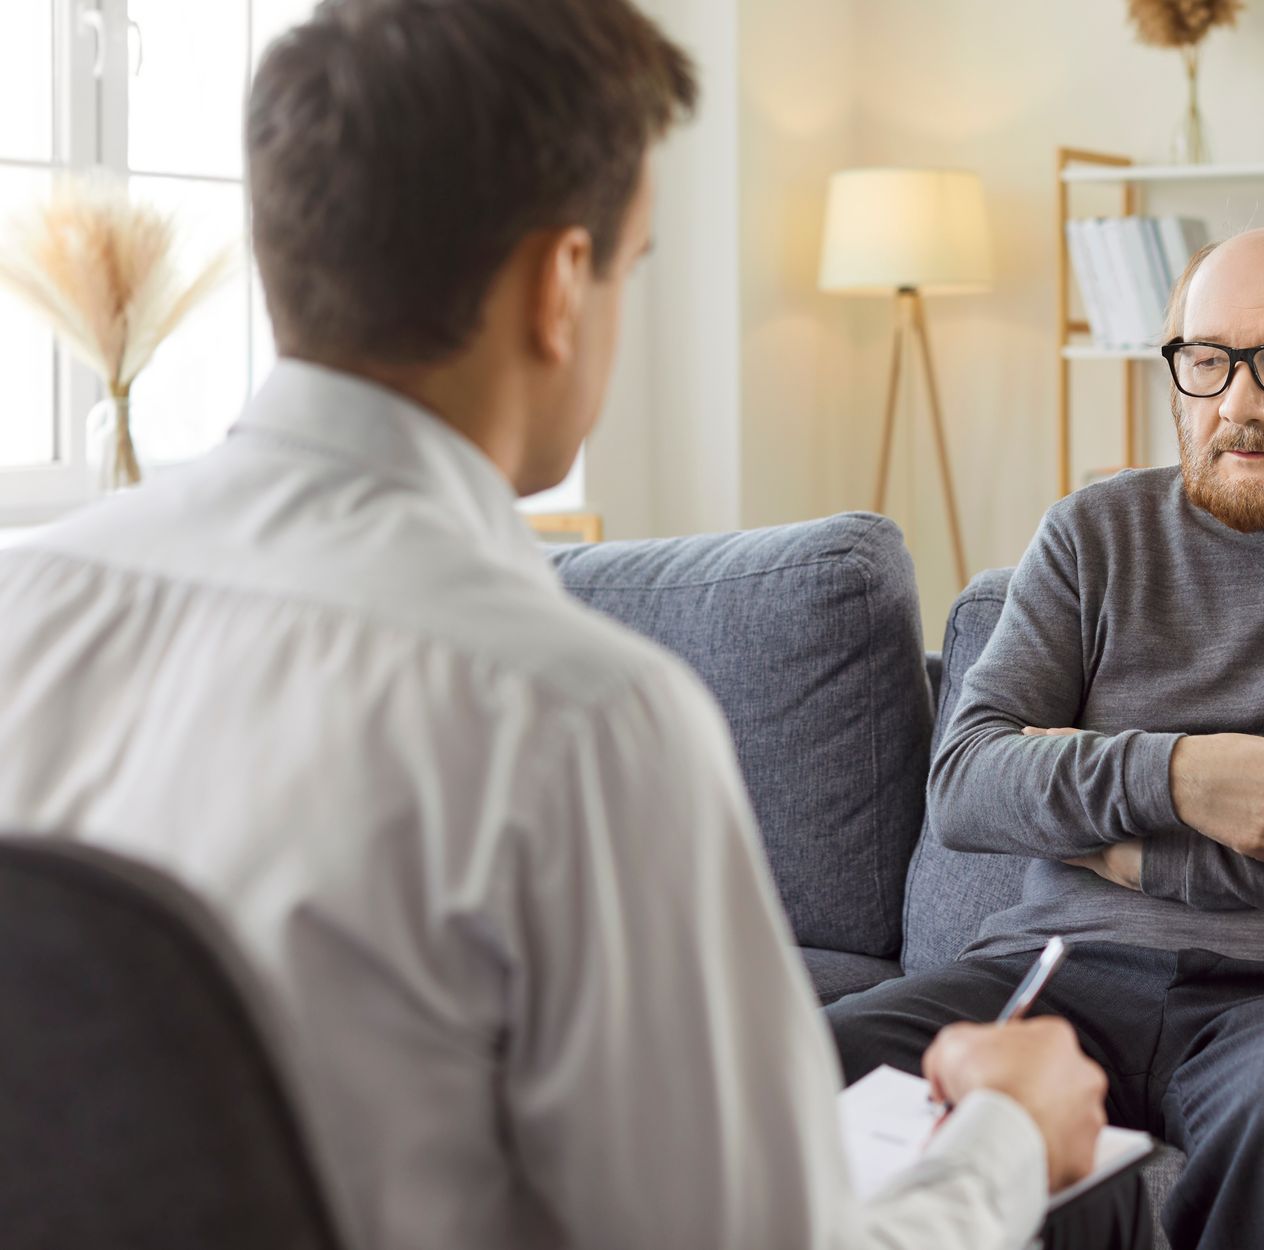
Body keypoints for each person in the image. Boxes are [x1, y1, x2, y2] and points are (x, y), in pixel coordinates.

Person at [0, 2, 1120, 1247]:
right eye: (633, 266)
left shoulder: (31, 604)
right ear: (558, 286)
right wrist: (1009, 1137)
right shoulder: (578, 719)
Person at [828, 225, 1264, 1250]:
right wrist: (1178, 772)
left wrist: (1128, 850)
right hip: (1065, 971)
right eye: (1206, 361)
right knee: (805, 1064)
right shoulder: (1093, 531)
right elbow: (967, 776)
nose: (1238, 404)